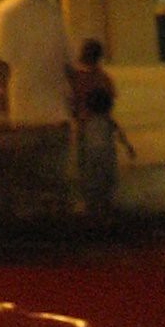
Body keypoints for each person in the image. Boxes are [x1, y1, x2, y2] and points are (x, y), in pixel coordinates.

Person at [0, 0, 71, 126]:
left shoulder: (6, 10)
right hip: (55, 99)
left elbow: (1, 57)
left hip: (22, 98)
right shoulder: (53, 10)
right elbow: (67, 58)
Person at [70, 39, 133, 210]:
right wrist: (128, 147)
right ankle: (106, 199)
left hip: (84, 126)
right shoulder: (103, 78)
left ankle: (88, 200)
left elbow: (72, 102)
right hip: (104, 139)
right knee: (107, 170)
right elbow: (112, 103)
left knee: (85, 167)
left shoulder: (75, 78)